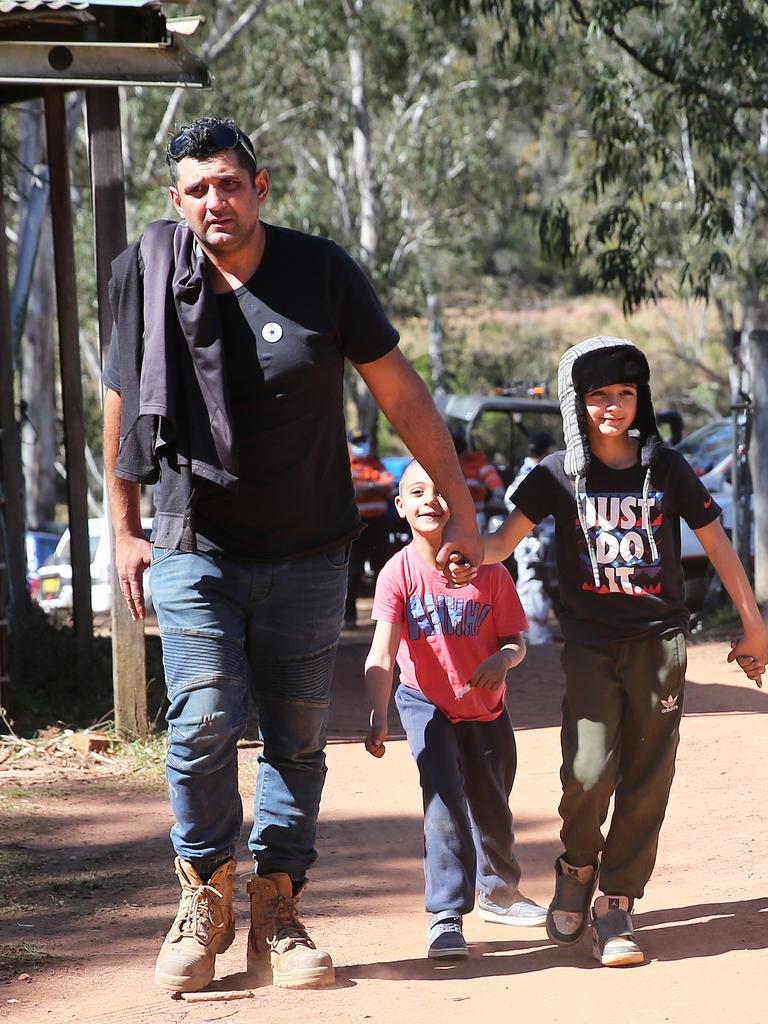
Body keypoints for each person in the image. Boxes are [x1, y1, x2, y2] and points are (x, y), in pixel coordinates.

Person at [102, 116, 481, 994]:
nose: (214, 201)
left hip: (311, 548)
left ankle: (278, 905)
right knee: (200, 721)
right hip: (193, 538)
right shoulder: (150, 276)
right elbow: (121, 400)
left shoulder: (319, 273)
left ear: (260, 187)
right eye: (197, 189)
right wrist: (122, 526)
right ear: (176, 200)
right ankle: (204, 893)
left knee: (298, 735)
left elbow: (399, 390)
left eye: (229, 184)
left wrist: (458, 504)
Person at [449, 336, 768, 967]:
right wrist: (463, 546)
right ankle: (576, 868)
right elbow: (500, 545)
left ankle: (617, 903)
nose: (614, 407)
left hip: (659, 644)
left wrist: (754, 626)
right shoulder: (556, 475)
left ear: (640, 399)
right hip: (591, 646)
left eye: (626, 394)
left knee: (648, 778)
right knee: (588, 772)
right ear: (578, 402)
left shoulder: (668, 468)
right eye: (599, 396)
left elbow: (721, 546)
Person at [364, 460, 547, 960]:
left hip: (486, 707)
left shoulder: (490, 570)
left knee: (492, 803)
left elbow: (517, 643)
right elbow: (382, 651)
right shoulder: (398, 572)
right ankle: (445, 916)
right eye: (417, 492)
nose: (430, 500)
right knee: (443, 800)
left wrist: (501, 660)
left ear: (459, 505)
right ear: (400, 507)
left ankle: (500, 892)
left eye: (442, 491)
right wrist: (378, 713)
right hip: (425, 702)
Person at [504, 431, 557, 645]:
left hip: (536, 540)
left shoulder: (532, 470)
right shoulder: (533, 472)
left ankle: (531, 632)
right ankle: (534, 633)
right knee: (533, 585)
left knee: (536, 585)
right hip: (531, 541)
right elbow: (511, 499)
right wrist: (533, 524)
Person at [345, 434, 395, 627]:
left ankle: (382, 618)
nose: (361, 446)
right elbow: (351, 490)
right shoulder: (347, 464)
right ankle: (349, 618)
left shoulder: (377, 464)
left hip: (379, 525)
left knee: (381, 570)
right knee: (353, 571)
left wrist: (367, 487)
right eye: (357, 443)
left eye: (362, 442)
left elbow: (388, 485)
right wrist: (374, 486)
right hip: (357, 525)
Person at [453, 433, 506, 530]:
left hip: (475, 516)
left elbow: (493, 480)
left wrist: (497, 495)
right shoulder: (445, 465)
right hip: (452, 517)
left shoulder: (477, 462)